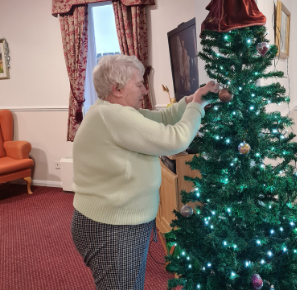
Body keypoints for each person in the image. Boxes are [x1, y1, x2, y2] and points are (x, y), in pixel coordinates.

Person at [71, 54, 219, 290]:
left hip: (115, 222)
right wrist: (198, 105)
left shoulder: (111, 110)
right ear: (117, 89)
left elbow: (162, 118)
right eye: (139, 84)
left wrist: (190, 100)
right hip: (112, 227)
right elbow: (176, 139)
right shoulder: (113, 116)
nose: (144, 90)